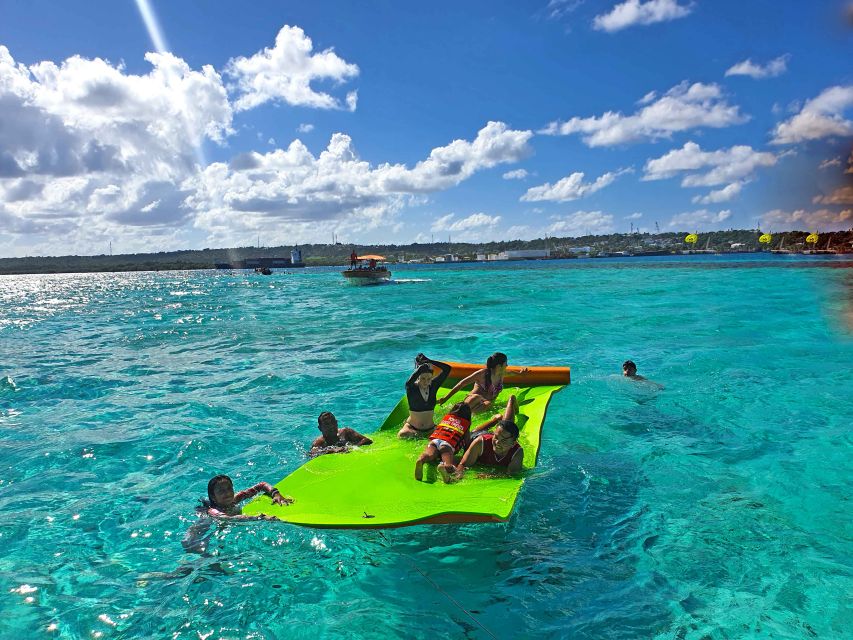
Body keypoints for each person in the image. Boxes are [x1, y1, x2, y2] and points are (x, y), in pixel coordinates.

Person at [453, 395, 523, 480]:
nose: (497, 442)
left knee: (508, 425)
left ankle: (511, 400)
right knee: (502, 425)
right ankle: (495, 420)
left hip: (495, 435)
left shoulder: (517, 452)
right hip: (476, 435)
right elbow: (463, 464)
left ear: (513, 443)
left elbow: (512, 475)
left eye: (504, 440)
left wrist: (490, 476)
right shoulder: (480, 443)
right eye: (496, 437)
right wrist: (457, 477)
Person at [439, 352, 524, 412]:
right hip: (472, 402)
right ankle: (456, 414)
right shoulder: (482, 374)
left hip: (486, 405)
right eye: (506, 363)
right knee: (476, 397)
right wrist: (445, 398)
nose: (507, 365)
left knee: (488, 403)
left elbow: (513, 373)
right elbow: (461, 384)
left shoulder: (502, 373)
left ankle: (463, 416)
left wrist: (521, 374)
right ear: (499, 366)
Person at [414, 402, 472, 483]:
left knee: (429, 455)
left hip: (434, 441)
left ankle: (422, 459)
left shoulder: (446, 418)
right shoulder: (465, 424)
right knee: (449, 466)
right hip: (447, 444)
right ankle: (443, 467)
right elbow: (467, 442)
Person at [398, 354, 452, 438]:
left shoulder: (433, 386)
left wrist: (429, 361)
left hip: (431, 429)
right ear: (418, 377)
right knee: (402, 435)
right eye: (423, 378)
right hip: (412, 429)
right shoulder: (412, 388)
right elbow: (408, 383)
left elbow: (447, 369)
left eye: (429, 379)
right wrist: (420, 369)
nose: (426, 382)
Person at [200, 474, 292, 517]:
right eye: (221, 491)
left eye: (229, 488)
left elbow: (261, 485)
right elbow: (229, 519)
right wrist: (259, 517)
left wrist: (275, 494)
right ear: (213, 497)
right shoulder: (213, 511)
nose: (227, 493)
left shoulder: (235, 499)